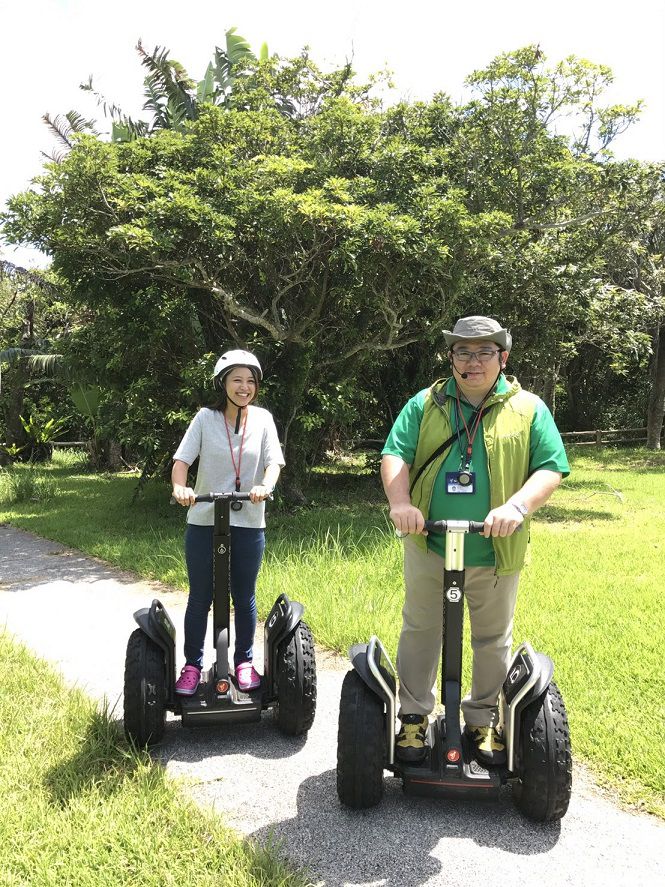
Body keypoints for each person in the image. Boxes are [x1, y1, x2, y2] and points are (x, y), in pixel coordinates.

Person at [380, 316, 570, 767]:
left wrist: (517, 507)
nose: (472, 360)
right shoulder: (425, 404)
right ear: (452, 358)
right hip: (429, 542)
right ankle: (413, 717)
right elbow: (395, 454)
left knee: (492, 640)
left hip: (495, 549)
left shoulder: (528, 408)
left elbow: (550, 467)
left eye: (484, 351)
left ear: (502, 357)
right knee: (421, 629)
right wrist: (401, 503)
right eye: (463, 352)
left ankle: (482, 720)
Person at [171, 349, 285, 694]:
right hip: (204, 517)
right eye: (237, 379)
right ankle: (193, 665)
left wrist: (266, 486)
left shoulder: (263, 419)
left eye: (251, 381)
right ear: (223, 383)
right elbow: (181, 460)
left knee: (244, 595)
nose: (244, 387)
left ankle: (244, 661)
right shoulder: (205, 419)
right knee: (200, 595)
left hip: (249, 519)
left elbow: (273, 462)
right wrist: (180, 487)